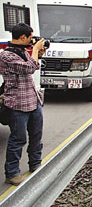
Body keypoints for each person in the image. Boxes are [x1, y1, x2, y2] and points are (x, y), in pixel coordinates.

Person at [0, 23, 46, 185]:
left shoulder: (21, 51)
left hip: (33, 100)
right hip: (18, 103)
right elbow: (28, 69)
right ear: (22, 37)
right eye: (30, 37)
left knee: (36, 136)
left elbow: (35, 65)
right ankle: (12, 173)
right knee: (18, 139)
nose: (32, 40)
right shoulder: (6, 55)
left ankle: (35, 163)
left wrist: (38, 53)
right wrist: (34, 50)